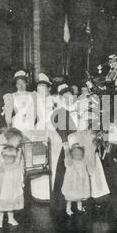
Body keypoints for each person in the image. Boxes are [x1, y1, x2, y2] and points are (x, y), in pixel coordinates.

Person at [0, 128, 24, 228]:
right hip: (3, 179)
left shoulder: (17, 150)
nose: (19, 142)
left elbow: (19, 164)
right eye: (18, 140)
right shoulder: (2, 149)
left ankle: (11, 218)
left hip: (13, 180)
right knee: (2, 200)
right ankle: (0, 220)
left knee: (11, 199)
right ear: (10, 139)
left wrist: (21, 179)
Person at [49, 83, 78, 211]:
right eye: (64, 97)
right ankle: (62, 204)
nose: (67, 99)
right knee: (65, 173)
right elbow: (63, 134)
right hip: (67, 146)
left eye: (69, 96)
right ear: (61, 99)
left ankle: (79, 201)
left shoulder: (78, 110)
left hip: (79, 144)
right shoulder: (60, 112)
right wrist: (67, 150)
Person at [3, 70, 35, 139]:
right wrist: (10, 127)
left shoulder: (32, 95)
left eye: (23, 83)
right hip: (18, 123)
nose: (21, 85)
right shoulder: (11, 96)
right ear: (16, 85)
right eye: (18, 83)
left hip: (30, 123)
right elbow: (8, 114)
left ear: (26, 83)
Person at [62, 142, 91, 216]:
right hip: (72, 182)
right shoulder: (71, 162)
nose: (77, 156)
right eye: (75, 154)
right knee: (70, 197)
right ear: (72, 154)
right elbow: (68, 159)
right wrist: (66, 150)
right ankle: (68, 208)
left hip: (80, 182)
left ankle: (79, 207)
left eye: (79, 154)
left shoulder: (82, 162)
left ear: (82, 155)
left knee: (79, 196)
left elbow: (87, 163)